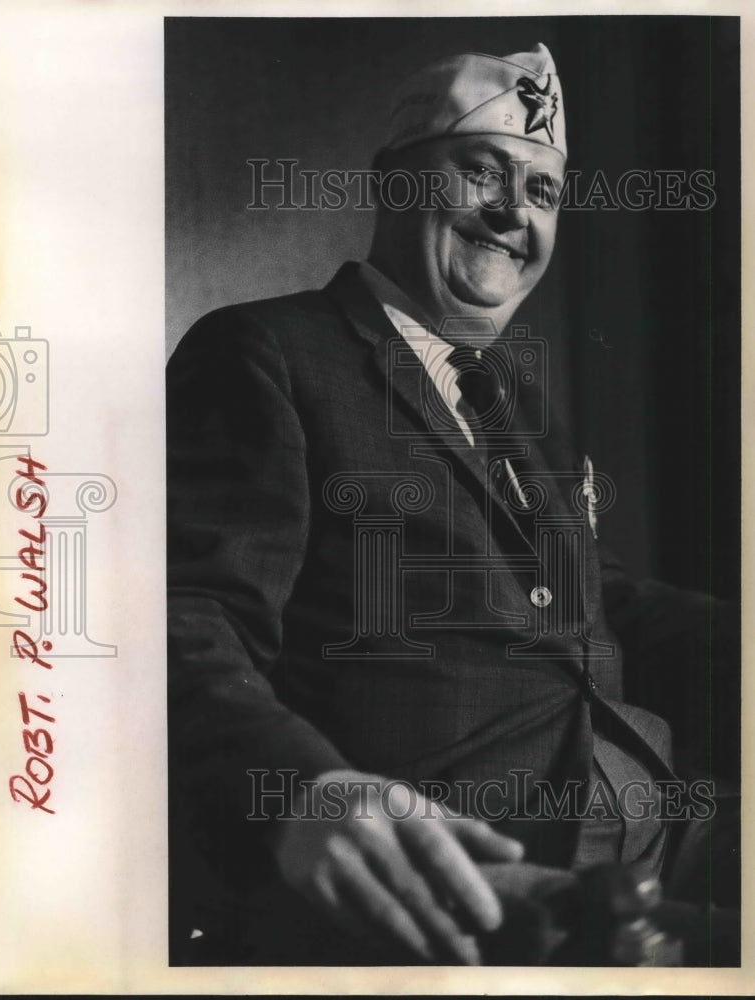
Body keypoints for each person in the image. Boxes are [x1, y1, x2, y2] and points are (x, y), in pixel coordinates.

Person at [166, 43, 738, 966]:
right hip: (478, 857)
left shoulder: (520, 402)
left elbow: (603, 601)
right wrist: (306, 791)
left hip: (666, 819)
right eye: (484, 173)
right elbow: (186, 614)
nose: (516, 214)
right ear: (394, 185)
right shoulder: (266, 353)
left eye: (545, 192)